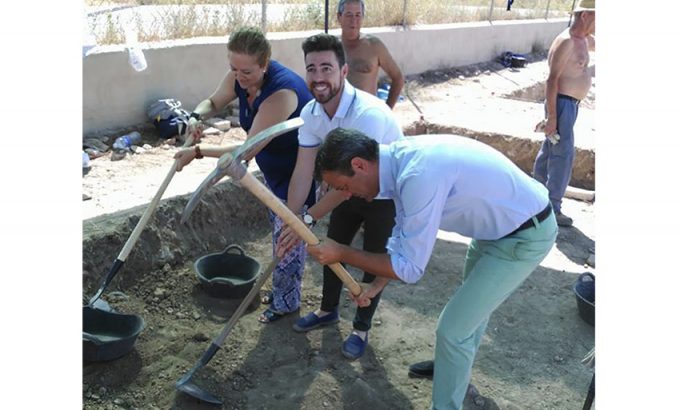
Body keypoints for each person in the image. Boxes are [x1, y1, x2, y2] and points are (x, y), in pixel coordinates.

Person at [306, 128, 558, 410]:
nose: (348, 195)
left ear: (359, 165)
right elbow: (402, 242)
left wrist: (341, 252)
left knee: (453, 330)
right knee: (469, 317)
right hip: (495, 231)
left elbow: (411, 268)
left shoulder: (417, 176)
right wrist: (376, 285)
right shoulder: (400, 165)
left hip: (523, 236)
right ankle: (452, 369)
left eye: (343, 187)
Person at [173, 27, 316, 324]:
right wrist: (196, 117)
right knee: (281, 232)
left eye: (247, 71)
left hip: (298, 172)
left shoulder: (282, 94)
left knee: (288, 235)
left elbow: (246, 150)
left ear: (265, 64)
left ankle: (286, 302)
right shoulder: (240, 75)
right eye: (233, 68)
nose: (239, 76)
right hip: (273, 169)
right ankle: (282, 293)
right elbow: (213, 102)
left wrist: (198, 151)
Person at [276, 33, 403, 360]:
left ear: (344, 71)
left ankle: (361, 327)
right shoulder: (312, 114)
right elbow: (303, 171)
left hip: (385, 192)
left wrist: (307, 218)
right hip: (345, 190)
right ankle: (327, 310)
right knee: (330, 249)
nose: (318, 77)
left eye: (326, 68)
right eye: (312, 69)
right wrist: (291, 221)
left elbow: (351, 184)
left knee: (374, 258)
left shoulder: (368, 115)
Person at [533, 0, 595, 227]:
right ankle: (552, 209)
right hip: (561, 105)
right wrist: (552, 117)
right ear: (586, 15)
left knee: (550, 152)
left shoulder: (584, 40)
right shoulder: (567, 42)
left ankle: (535, 200)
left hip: (570, 106)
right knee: (563, 156)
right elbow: (552, 80)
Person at [337, 0, 404, 109]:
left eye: (358, 15)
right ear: (339, 17)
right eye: (349, 15)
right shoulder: (333, 48)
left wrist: (387, 111)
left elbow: (398, 78)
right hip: (339, 115)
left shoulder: (374, 46)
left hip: (367, 114)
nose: (354, 20)